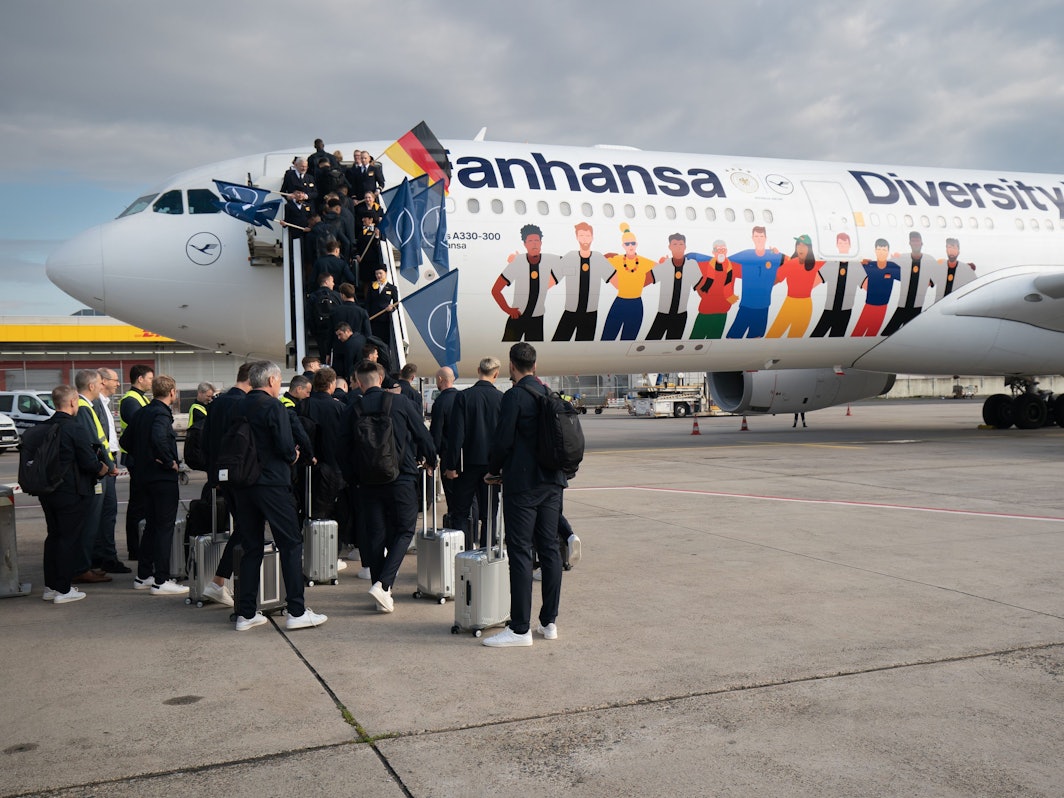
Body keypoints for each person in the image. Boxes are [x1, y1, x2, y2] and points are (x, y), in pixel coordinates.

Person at [231, 361, 327, 631]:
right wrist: (294, 455)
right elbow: (286, 446)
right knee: (290, 544)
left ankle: (246, 613)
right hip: (272, 483)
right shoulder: (273, 406)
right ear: (272, 380)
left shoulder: (235, 405)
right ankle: (296, 610)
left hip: (242, 485)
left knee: (251, 547)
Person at [482, 343, 566, 647]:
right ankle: (550, 622)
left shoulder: (514, 396)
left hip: (524, 485)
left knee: (519, 551)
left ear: (511, 366)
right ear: (534, 365)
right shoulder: (548, 393)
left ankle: (519, 628)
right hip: (553, 483)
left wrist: (493, 469)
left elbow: (503, 441)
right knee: (549, 549)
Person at [342, 359, 436, 613]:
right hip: (402, 476)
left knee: (375, 534)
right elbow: (423, 435)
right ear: (381, 380)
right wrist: (431, 459)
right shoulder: (401, 403)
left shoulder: (353, 409)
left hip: (367, 481)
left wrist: (353, 478)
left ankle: (380, 588)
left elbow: (343, 448)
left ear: (359, 384)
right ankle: (384, 585)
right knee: (405, 530)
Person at [24, 385, 111, 603]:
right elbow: (88, 460)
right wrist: (102, 468)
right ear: (73, 402)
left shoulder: (43, 427)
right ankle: (63, 589)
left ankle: (51, 587)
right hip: (71, 491)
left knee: (53, 537)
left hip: (48, 491)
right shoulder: (74, 427)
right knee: (68, 539)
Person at [121, 375, 188, 596]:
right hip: (161, 479)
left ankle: (143, 575)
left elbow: (125, 441)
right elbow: (159, 438)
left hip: (143, 478)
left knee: (150, 526)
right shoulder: (161, 414)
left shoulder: (142, 412)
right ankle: (161, 579)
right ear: (172, 393)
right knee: (164, 527)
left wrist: (144, 456)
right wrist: (169, 461)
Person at [443, 357, 503, 547]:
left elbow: (456, 435)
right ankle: (487, 553)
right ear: (496, 373)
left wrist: (451, 465)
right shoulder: (502, 398)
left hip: (467, 464)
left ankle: (464, 551)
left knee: (461, 512)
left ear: (478, 370)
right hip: (491, 466)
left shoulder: (464, 396)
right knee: (489, 514)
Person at [72, 369, 116, 584]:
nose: (102, 386)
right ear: (91, 386)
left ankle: (86, 564)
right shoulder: (83, 408)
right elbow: (91, 444)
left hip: (101, 469)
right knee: (89, 522)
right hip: (94, 473)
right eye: (100, 383)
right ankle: (82, 568)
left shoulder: (87, 407)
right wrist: (104, 466)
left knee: (94, 520)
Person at [91, 368, 129, 574]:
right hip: (104, 465)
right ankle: (105, 557)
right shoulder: (96, 405)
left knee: (106, 512)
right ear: (103, 381)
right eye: (115, 380)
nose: (118, 384)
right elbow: (97, 439)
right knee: (106, 512)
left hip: (110, 461)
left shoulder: (104, 404)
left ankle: (102, 555)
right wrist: (107, 463)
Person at [492, 223, 556, 342]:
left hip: (536, 320)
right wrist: (508, 310)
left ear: (541, 243)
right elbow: (496, 290)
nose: (534, 244)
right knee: (509, 350)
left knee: (534, 356)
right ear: (525, 244)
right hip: (518, 318)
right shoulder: (518, 262)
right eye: (530, 241)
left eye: (537, 240)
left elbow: (573, 262)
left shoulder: (550, 260)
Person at [119, 364, 154, 560]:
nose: (151, 382)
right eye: (149, 378)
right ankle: (135, 549)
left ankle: (140, 546)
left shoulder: (140, 398)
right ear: (139, 379)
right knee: (137, 505)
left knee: (142, 504)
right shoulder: (131, 400)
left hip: (140, 457)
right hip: (135, 458)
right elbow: (140, 428)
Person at [646, 233, 701, 340]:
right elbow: (643, 281)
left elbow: (702, 290)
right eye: (675, 244)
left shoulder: (692, 265)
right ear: (670, 247)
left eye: (681, 244)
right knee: (650, 343)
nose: (678, 247)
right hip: (663, 314)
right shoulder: (664, 265)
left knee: (671, 347)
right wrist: (653, 266)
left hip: (680, 316)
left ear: (685, 247)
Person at [430, 366, 459, 517]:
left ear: (441, 380)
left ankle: (456, 530)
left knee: (452, 497)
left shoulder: (440, 403)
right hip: (466, 456)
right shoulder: (463, 398)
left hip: (448, 457)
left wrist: (431, 457)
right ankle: (471, 534)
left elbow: (436, 434)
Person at [306, 273, 343, 361]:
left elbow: (309, 316)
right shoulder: (337, 295)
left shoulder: (313, 296)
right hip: (336, 331)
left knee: (323, 355)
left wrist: (314, 331)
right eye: (332, 281)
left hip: (321, 331)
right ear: (326, 282)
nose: (333, 284)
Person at [365, 267, 399, 347]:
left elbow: (396, 303)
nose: (378, 275)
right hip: (373, 318)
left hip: (385, 318)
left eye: (380, 273)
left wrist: (392, 308)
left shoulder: (392, 288)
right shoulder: (372, 286)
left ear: (385, 273)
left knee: (384, 341)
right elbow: (367, 302)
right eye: (376, 274)